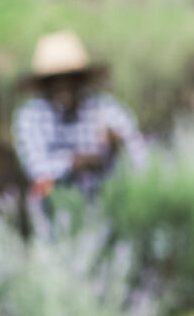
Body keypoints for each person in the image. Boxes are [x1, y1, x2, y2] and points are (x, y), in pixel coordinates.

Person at [13, 30, 147, 201]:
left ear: (81, 79)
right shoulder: (30, 116)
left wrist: (118, 149)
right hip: (55, 207)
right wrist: (76, 162)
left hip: (106, 202)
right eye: (55, 79)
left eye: (70, 78)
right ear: (44, 83)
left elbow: (140, 157)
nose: (63, 85)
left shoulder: (105, 108)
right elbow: (37, 169)